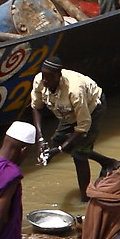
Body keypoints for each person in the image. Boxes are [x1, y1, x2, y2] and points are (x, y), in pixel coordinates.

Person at [32, 60, 112, 195]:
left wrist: (60, 150)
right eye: (43, 76)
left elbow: (83, 125)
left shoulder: (74, 90)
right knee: (57, 140)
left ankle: (85, 198)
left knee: (79, 154)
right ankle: (107, 162)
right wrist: (40, 139)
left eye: (49, 77)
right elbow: (36, 108)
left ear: (59, 75)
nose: (45, 81)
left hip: (92, 107)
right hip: (67, 112)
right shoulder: (39, 81)